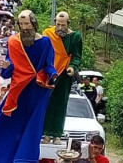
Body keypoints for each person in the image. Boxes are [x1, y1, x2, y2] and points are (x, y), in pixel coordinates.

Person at [0, 10, 58, 163]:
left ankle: (24, 159)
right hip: (18, 91)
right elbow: (7, 74)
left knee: (30, 129)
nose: (24, 28)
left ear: (34, 23)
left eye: (27, 24)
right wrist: (7, 67)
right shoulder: (13, 42)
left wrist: (53, 75)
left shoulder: (45, 42)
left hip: (36, 91)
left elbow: (49, 65)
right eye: (21, 24)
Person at [42, 11, 83, 145]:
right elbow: (44, 52)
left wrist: (72, 66)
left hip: (64, 74)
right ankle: (46, 133)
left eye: (63, 25)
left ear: (68, 24)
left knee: (60, 103)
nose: (60, 28)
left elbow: (76, 56)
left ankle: (57, 135)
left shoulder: (75, 37)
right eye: (58, 24)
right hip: (49, 72)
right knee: (47, 102)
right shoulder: (48, 34)